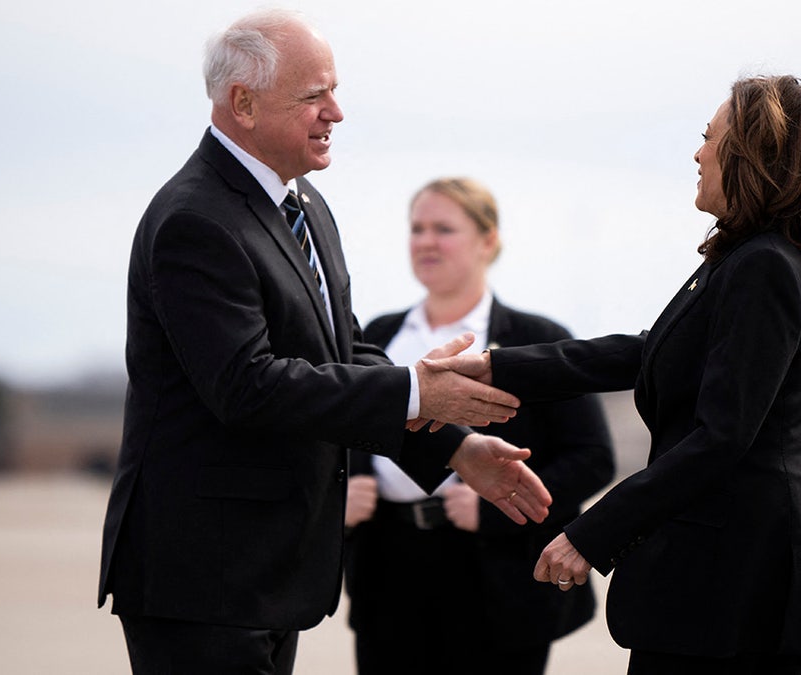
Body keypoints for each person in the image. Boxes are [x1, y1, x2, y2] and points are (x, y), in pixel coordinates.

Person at [96, 10, 551, 674]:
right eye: (314, 96)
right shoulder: (196, 220)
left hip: (271, 575)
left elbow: (340, 358)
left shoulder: (303, 204)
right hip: (204, 577)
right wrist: (419, 390)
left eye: (333, 90)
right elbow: (247, 386)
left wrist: (453, 445)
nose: (335, 111)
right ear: (242, 103)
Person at [428, 75, 801, 674]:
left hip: (733, 579)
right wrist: (495, 367)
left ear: (753, 157)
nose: (698, 152)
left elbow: (721, 438)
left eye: (710, 138)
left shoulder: (764, 265)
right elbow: (647, 351)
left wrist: (590, 533)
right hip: (731, 572)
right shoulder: (757, 256)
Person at [342, 177, 616, 675]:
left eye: (443, 228)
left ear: (488, 240)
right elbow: (340, 425)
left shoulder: (537, 339)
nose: (425, 241)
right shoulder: (377, 335)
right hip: (387, 565)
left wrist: (493, 507)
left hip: (501, 574)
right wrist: (344, 487)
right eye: (417, 228)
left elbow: (594, 459)